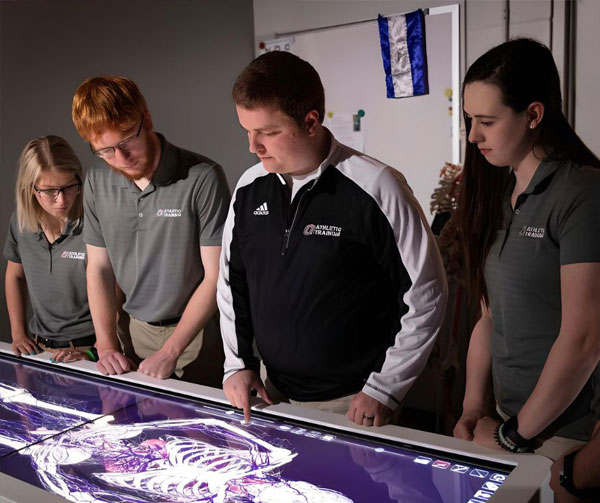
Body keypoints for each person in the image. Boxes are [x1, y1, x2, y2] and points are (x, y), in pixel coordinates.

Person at [217, 51, 448, 426]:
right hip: (268, 392)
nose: (253, 147)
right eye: (247, 130)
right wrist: (237, 364)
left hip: (354, 402)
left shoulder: (377, 186)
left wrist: (385, 388)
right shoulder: (249, 188)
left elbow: (426, 293)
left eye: (269, 132)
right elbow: (232, 283)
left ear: (311, 122)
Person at [453, 37, 600, 479]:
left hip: (565, 436)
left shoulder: (581, 194)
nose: (473, 136)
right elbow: (489, 318)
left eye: (487, 121)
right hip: (504, 425)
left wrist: (514, 436)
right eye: (469, 120)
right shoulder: (498, 194)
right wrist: (472, 408)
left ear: (534, 115)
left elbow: (584, 340)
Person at [71, 76, 230, 383]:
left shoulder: (202, 177)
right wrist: (106, 345)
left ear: (146, 118)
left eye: (127, 140)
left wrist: (171, 351)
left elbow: (216, 277)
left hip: (196, 334)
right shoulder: (97, 180)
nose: (121, 158)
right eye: (105, 150)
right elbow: (99, 268)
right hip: (132, 330)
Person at [3, 136, 96, 364]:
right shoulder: (21, 223)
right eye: (50, 191)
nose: (61, 199)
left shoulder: (94, 223)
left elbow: (115, 291)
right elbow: (14, 275)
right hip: (39, 348)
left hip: (87, 349)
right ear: (31, 189)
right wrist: (18, 333)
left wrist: (96, 350)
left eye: (68, 187)